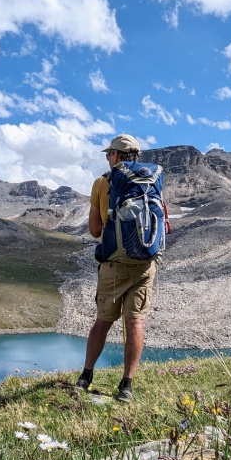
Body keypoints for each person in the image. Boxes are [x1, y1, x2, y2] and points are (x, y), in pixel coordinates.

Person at [75, 134, 160, 402]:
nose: (107, 158)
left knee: (103, 321)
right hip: (145, 265)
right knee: (135, 322)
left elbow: (94, 230)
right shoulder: (151, 180)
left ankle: (86, 376)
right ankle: (126, 386)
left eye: (108, 154)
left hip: (114, 263)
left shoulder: (103, 182)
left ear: (115, 155)